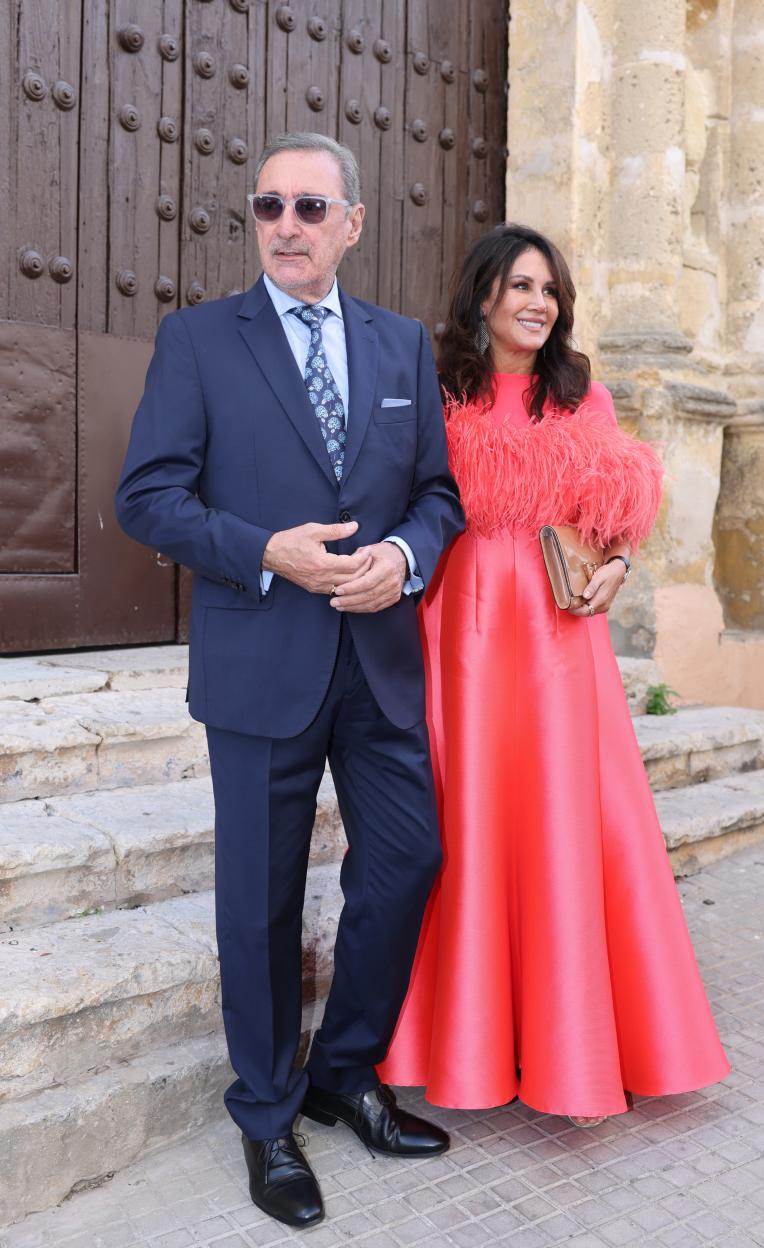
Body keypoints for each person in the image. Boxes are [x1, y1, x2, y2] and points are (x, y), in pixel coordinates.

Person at [115, 132, 465, 1228]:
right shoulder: (197, 341)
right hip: (259, 656)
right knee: (259, 904)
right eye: (269, 205)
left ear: (351, 223)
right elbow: (147, 497)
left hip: (376, 660)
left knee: (408, 857)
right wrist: (265, 549)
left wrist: (401, 559)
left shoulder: (401, 346)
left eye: (311, 208)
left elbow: (438, 498)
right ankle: (266, 1116)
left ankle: (343, 1072)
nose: (286, 225)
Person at [377, 224, 731, 1123]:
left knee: (566, 830)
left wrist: (617, 563)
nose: (539, 304)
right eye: (522, 287)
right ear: (483, 296)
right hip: (458, 636)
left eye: (552, 291)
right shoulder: (436, 392)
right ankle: (453, 1043)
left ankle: (573, 1051)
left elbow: (617, 517)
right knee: (463, 828)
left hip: (556, 647)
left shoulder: (585, 397)